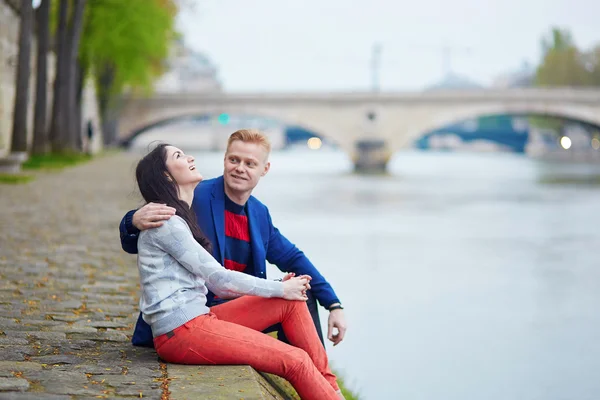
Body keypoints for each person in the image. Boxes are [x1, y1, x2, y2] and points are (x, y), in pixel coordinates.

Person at [132, 143, 342, 399]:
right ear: (166, 176)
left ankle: (332, 389)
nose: (240, 168)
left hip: (204, 316)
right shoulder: (172, 216)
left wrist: (333, 304)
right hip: (182, 329)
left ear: (264, 169)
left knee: (292, 303)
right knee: (295, 360)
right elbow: (219, 279)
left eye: (250, 163)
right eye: (234, 159)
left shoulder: (257, 212)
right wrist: (132, 219)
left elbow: (293, 257)